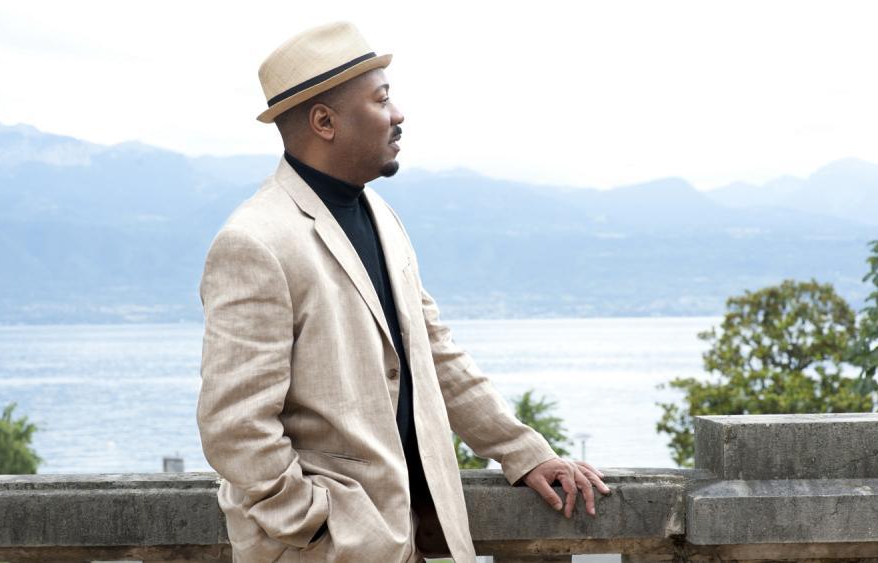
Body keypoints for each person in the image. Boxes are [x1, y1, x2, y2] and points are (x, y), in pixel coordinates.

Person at [196, 21, 609, 563]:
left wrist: (523, 452)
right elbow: (234, 425)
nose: (398, 115)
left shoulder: (382, 217)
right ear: (325, 121)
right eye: (382, 99)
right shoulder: (254, 241)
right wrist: (313, 523)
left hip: (411, 539)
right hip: (325, 551)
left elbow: (434, 353)